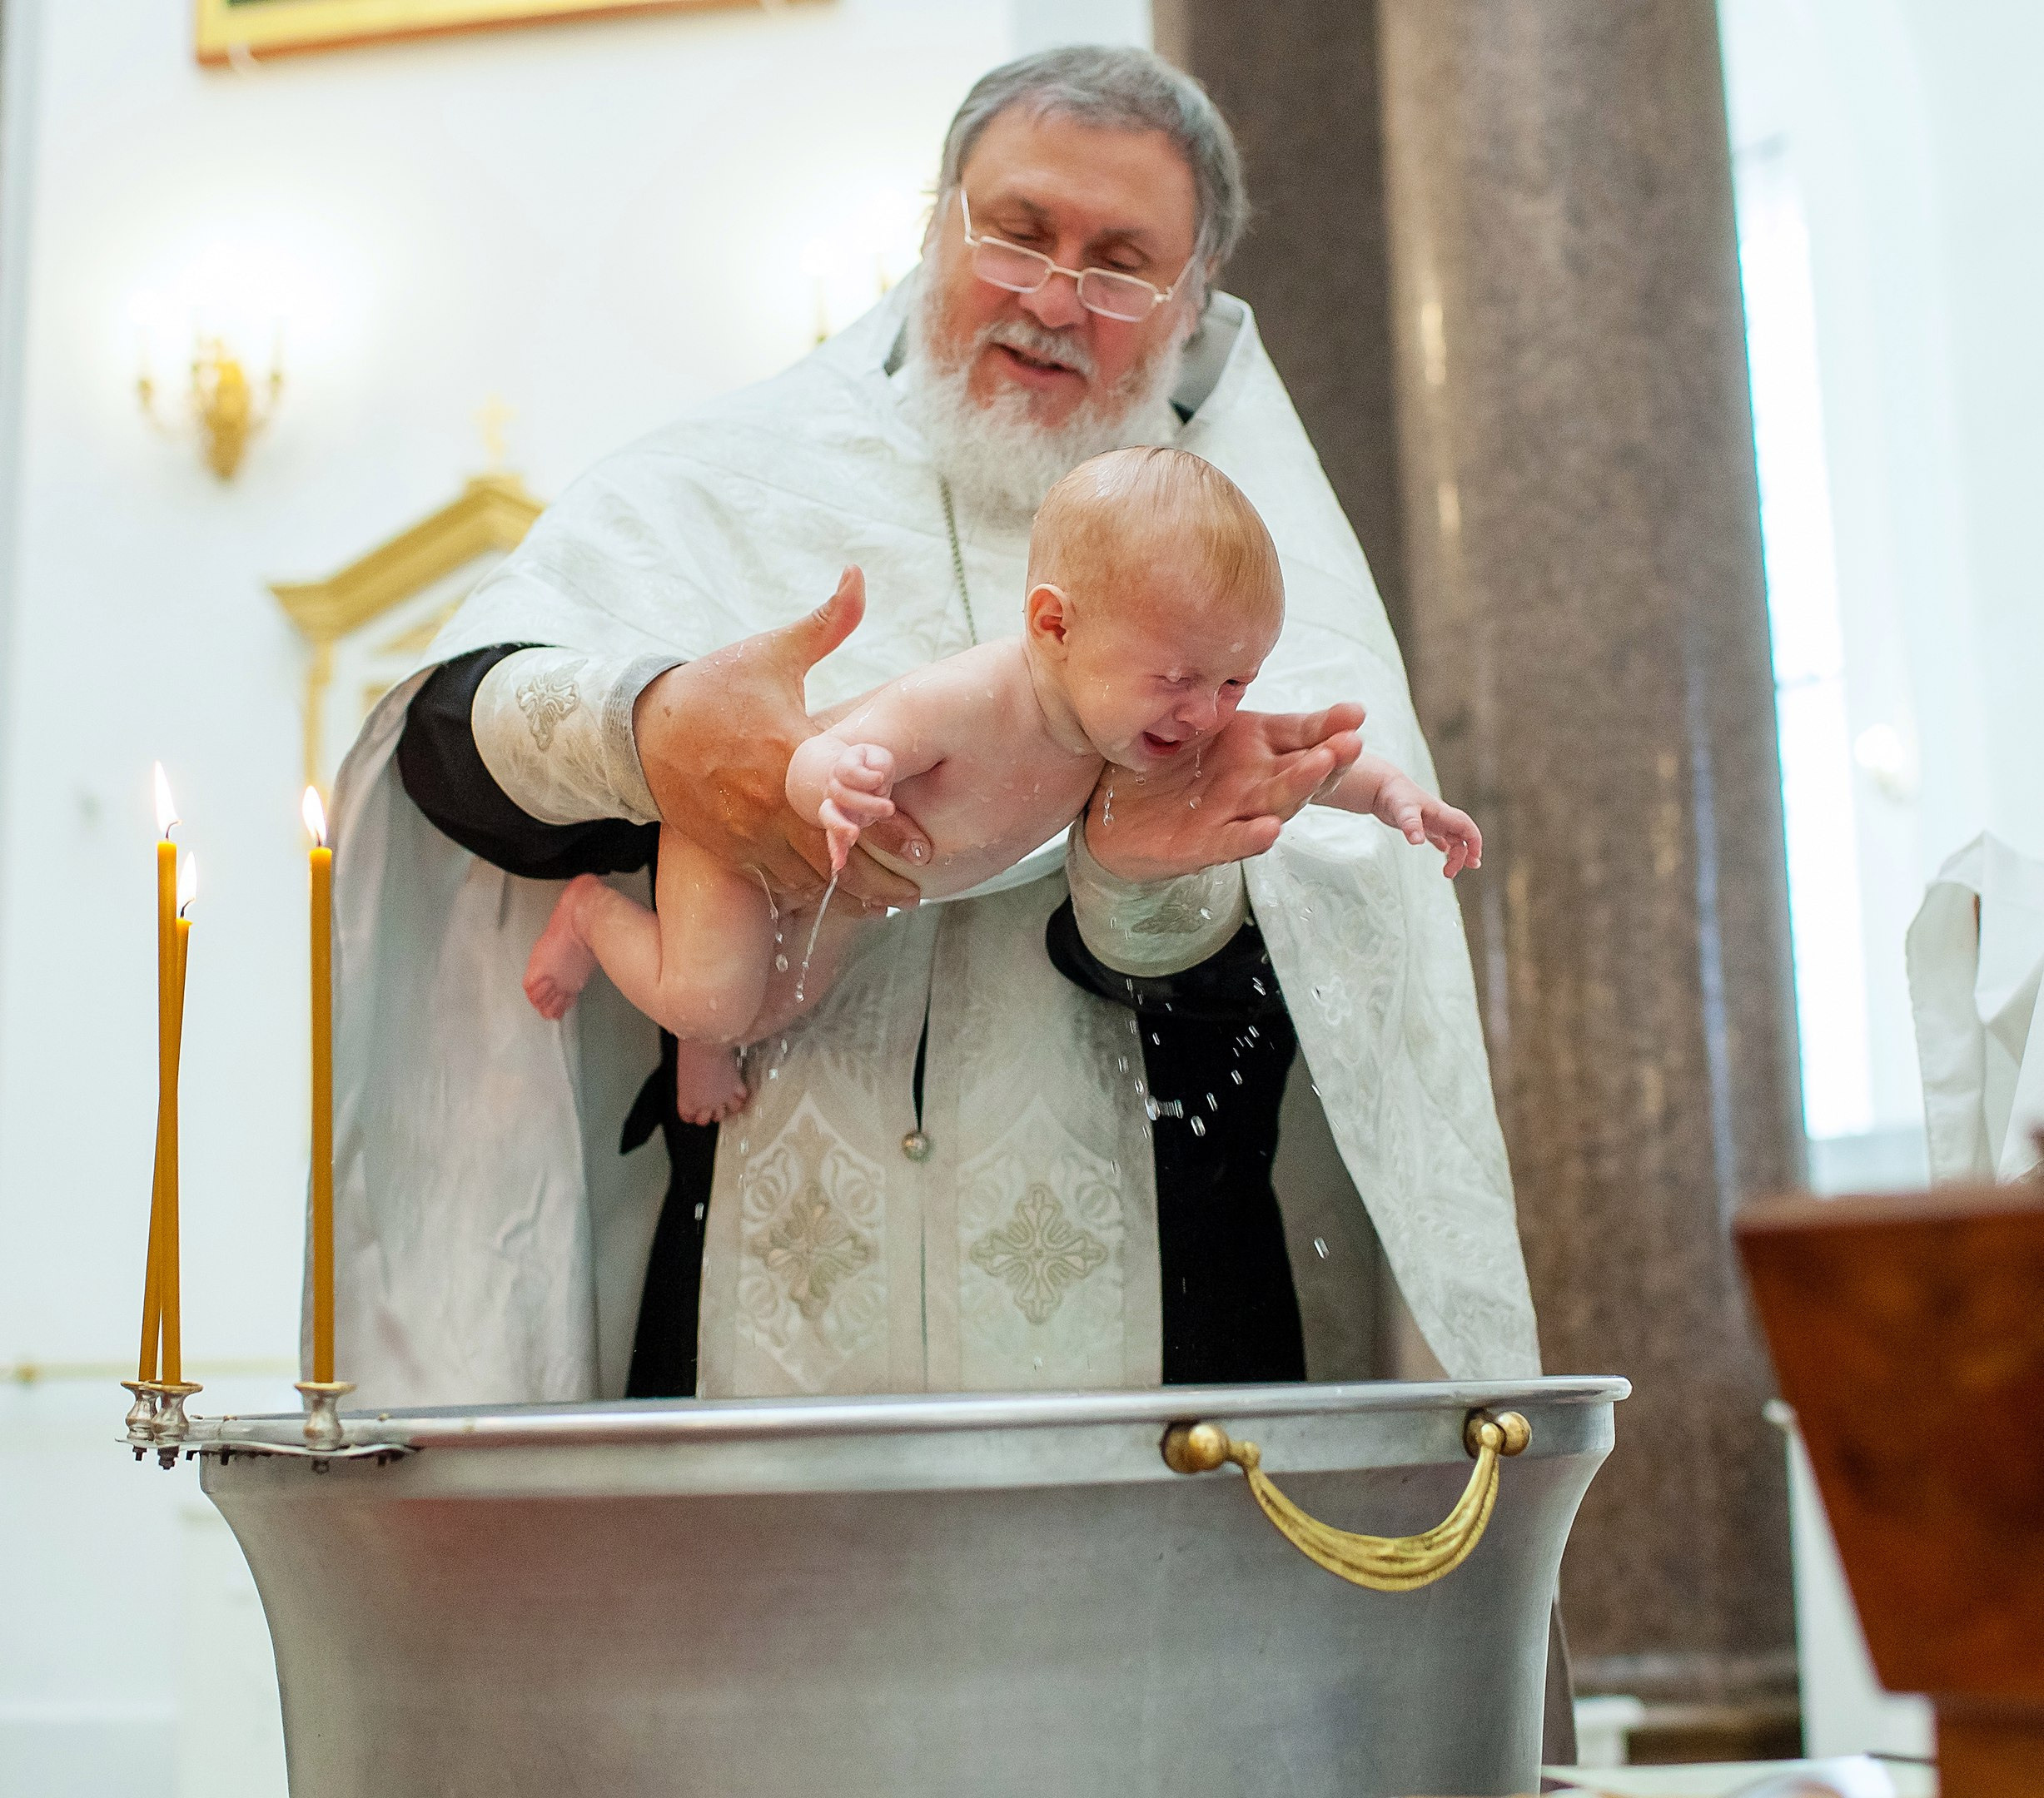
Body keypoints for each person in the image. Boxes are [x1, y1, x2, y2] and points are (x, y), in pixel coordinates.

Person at [329, 45, 1539, 1407]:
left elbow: (1336, 986)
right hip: (753, 1313)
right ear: (934, 227)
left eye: (1124, 263)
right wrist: (654, 725)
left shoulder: (1252, 570)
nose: (1056, 300)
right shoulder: (729, 481)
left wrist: (1146, 886)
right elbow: (443, 736)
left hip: (1160, 1352)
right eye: (1017, 235)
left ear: (1196, 306)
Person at [521, 449, 1484, 1129]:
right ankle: (590, 922)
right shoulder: (975, 697)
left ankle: (712, 1034)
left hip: (853, 891)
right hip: (742, 845)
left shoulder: (1133, 726)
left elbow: (1300, 766)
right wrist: (838, 778)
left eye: (1236, 680)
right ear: (1054, 626)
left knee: (773, 1010)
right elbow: (815, 753)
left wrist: (1397, 796)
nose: (1205, 713)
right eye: (1180, 677)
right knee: (714, 998)